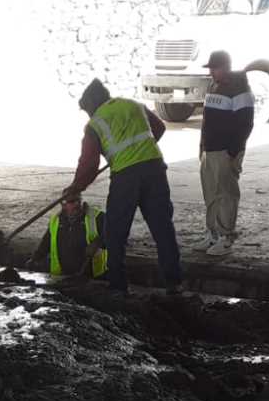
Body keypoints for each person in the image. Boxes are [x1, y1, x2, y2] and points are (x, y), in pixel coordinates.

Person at [63, 79, 182, 294]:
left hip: (126, 177)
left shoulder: (95, 124)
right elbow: (159, 127)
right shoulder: (134, 105)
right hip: (155, 169)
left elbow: (89, 165)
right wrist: (140, 148)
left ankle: (118, 286)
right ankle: (174, 284)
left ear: (91, 105)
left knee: (115, 233)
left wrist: (75, 187)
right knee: (163, 228)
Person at [194, 50, 254, 257]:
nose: (211, 72)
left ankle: (226, 237)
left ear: (226, 67)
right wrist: (202, 146)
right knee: (210, 194)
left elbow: (245, 124)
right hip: (209, 150)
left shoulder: (240, 90)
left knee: (226, 194)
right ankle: (212, 234)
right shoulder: (213, 86)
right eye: (210, 68)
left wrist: (233, 151)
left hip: (225, 151)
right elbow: (207, 121)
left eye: (215, 68)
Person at [28, 196, 108, 279]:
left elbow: (113, 234)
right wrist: (35, 259)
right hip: (61, 277)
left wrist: (98, 243)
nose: (77, 204)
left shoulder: (96, 217)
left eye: (78, 200)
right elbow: (46, 242)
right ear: (63, 204)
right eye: (72, 201)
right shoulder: (56, 220)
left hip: (93, 277)